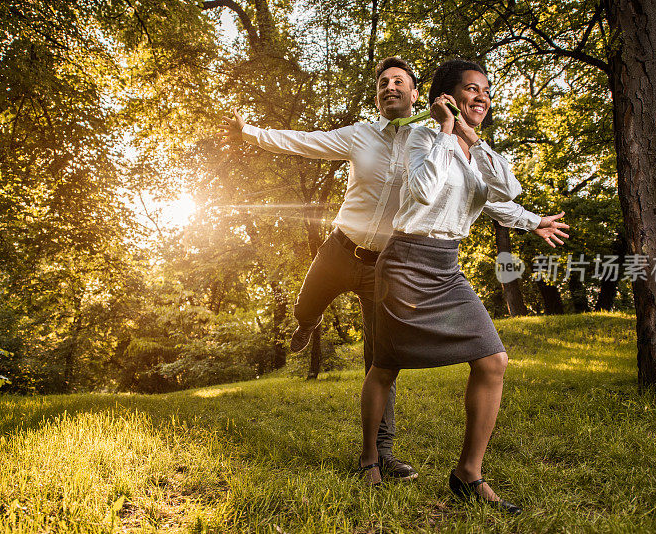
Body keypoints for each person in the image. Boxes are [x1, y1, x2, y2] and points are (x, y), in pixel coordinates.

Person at [219, 57, 569, 483]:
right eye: (382, 82)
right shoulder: (363, 136)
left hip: (386, 263)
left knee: (379, 359)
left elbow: (481, 193)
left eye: (398, 81)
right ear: (377, 95)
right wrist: (250, 133)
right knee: (305, 306)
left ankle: (380, 454)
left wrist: (532, 219)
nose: (389, 87)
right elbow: (304, 141)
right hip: (342, 248)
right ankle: (306, 323)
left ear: (417, 93)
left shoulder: (431, 138)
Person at [358, 59, 535, 515]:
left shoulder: (477, 149)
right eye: (471, 90)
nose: (482, 98)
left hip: (446, 267)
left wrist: (535, 222)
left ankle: (467, 474)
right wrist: (443, 132)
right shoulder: (420, 136)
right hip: (405, 262)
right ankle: (369, 457)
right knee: (385, 365)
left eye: (486, 92)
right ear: (448, 96)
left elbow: (505, 193)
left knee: (493, 359)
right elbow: (423, 191)